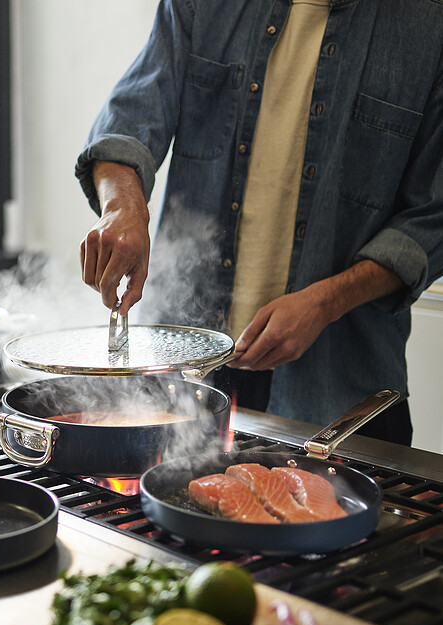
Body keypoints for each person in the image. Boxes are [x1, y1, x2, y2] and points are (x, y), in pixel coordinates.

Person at [76, 0, 443, 446]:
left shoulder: (430, 23)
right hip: (189, 382)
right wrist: (123, 208)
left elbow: (432, 218)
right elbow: (128, 120)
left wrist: (324, 303)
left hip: (341, 391)